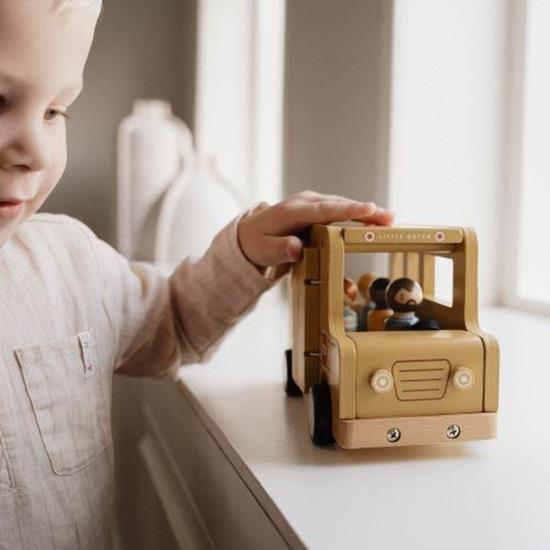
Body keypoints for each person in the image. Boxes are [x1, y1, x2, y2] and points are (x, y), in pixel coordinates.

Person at [0, 1, 394, 547]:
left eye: (55, 111)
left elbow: (174, 318)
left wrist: (248, 249)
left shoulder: (68, 263)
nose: (36, 151)